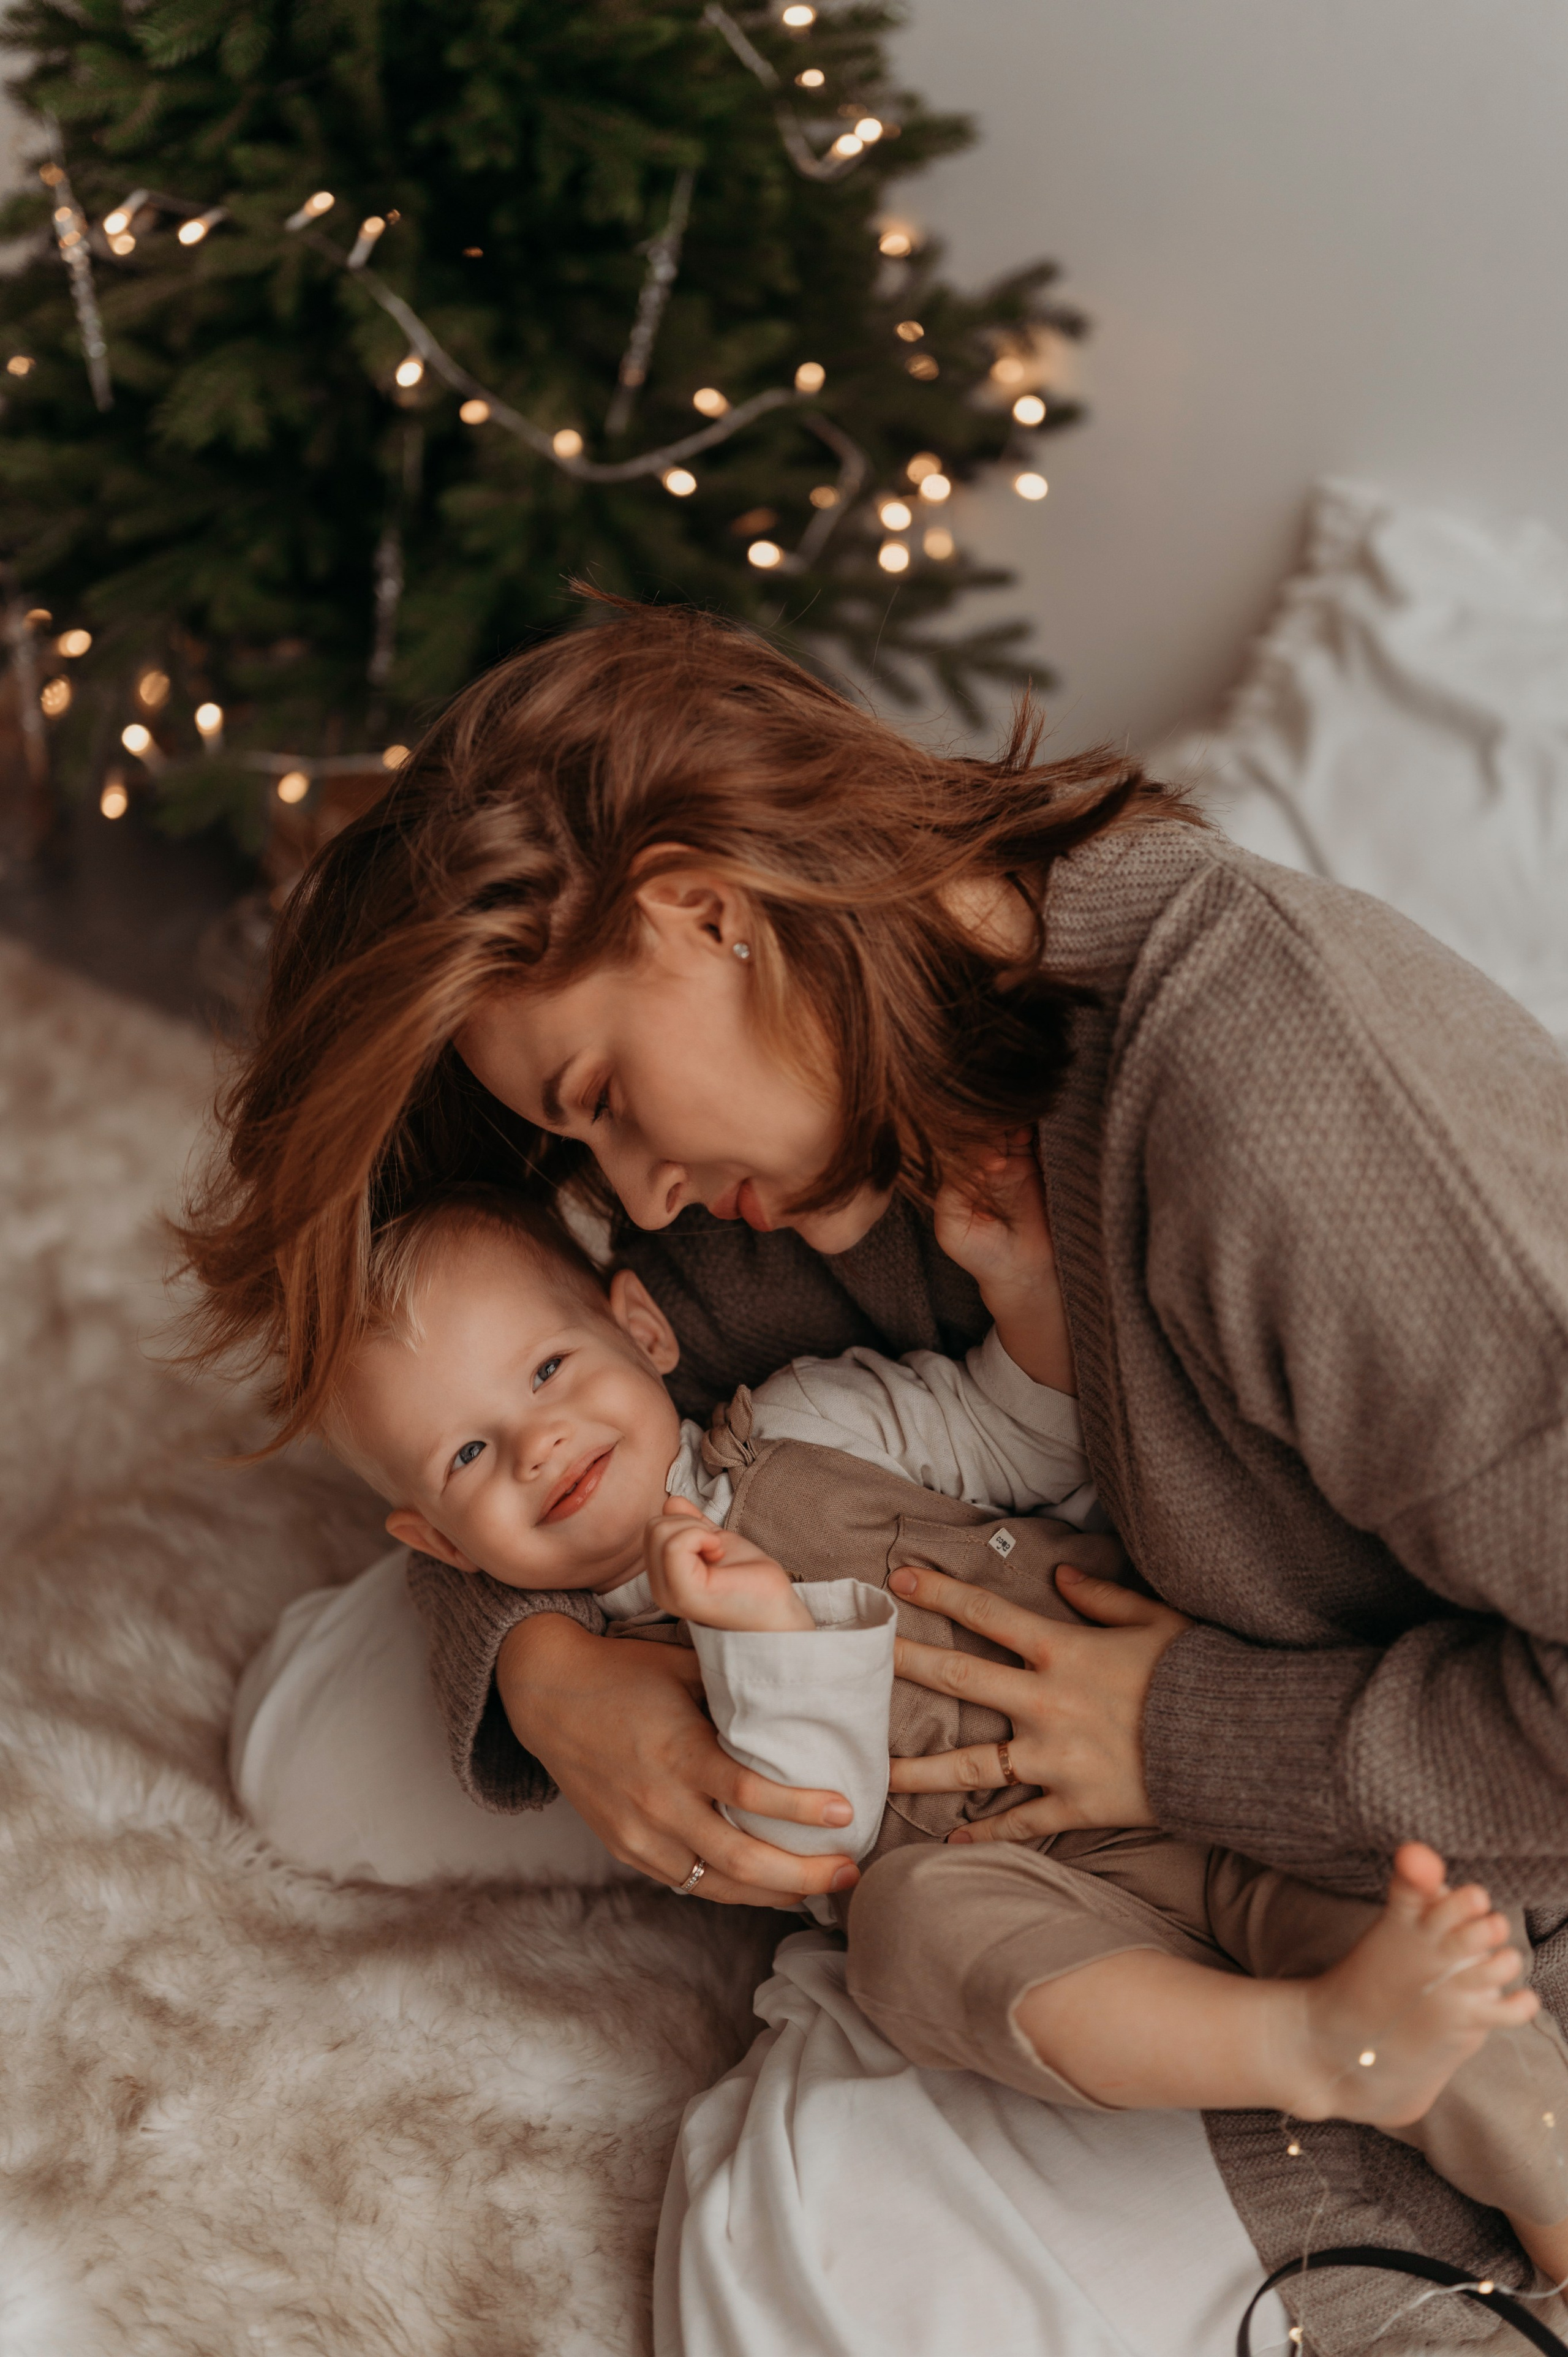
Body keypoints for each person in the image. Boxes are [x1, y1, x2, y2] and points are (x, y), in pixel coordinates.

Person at [187, 592, 1568, 2348]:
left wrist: (1179, 1732)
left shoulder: (1285, 1124)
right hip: (945, 1730)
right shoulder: (811, 1125)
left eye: (606, 1092)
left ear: (708, 910)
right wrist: (554, 1681)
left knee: (796, 2263)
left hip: (1389, 1833)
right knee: (314, 1750)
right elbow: (494, 1360)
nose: (648, 1191)